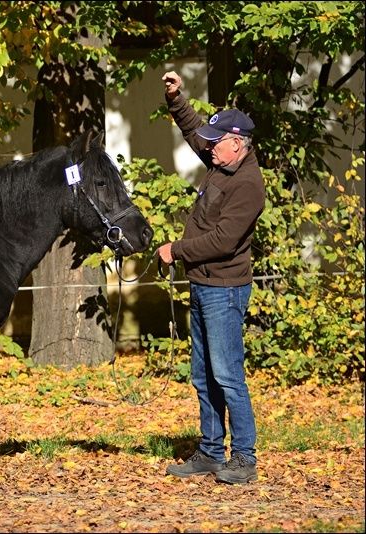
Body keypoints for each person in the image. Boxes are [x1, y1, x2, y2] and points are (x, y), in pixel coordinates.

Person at [157, 71, 265, 484]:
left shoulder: (249, 185)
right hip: (203, 286)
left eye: (218, 141)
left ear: (237, 143)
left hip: (225, 291)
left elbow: (222, 240)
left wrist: (176, 250)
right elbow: (193, 134)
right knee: (202, 375)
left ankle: (244, 458)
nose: (210, 148)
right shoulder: (222, 162)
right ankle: (209, 452)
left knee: (228, 376)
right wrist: (176, 99)